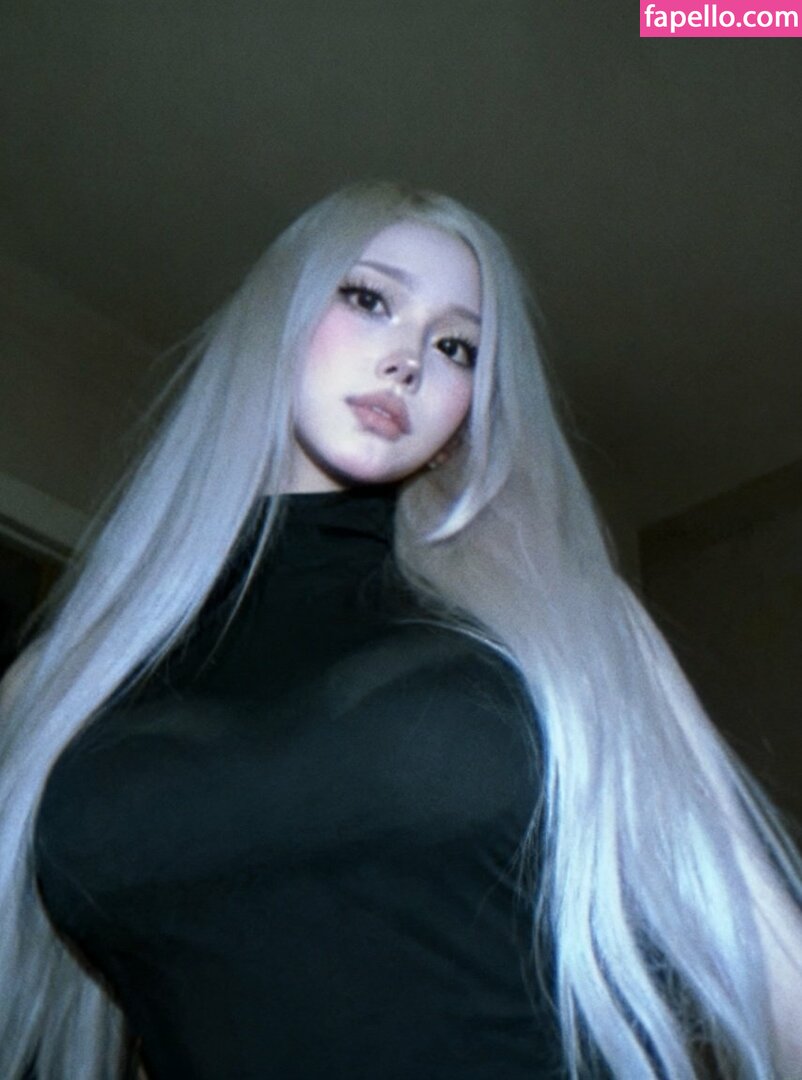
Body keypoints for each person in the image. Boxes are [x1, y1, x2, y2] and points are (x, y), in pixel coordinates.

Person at [0, 181, 800, 1080]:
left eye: (456, 347)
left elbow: (768, 955)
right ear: (278, 315)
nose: (409, 361)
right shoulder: (54, 685)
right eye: (370, 299)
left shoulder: (561, 620)